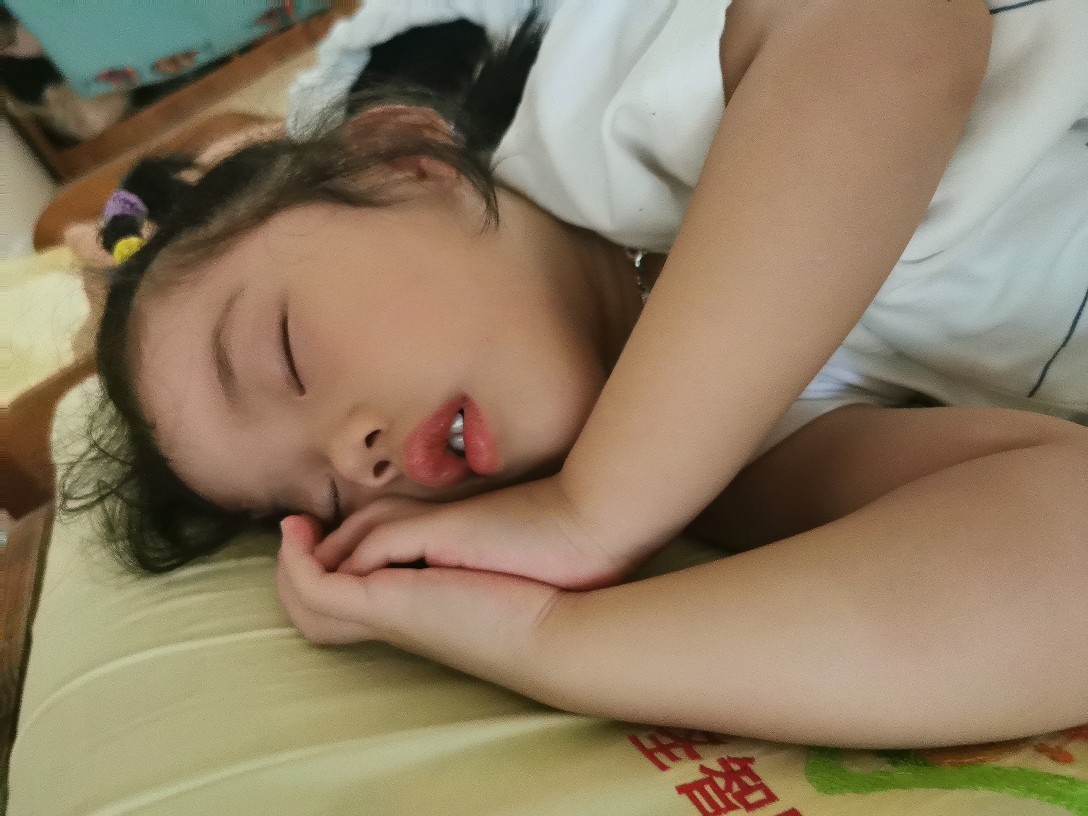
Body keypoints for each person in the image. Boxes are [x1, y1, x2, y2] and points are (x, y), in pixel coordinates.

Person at [67, 0, 1088, 750]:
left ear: (403, 161)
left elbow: (888, 38)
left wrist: (597, 508)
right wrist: (551, 638)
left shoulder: (602, 114)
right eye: (325, 499)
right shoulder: (718, 468)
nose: (357, 458)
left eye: (286, 353)